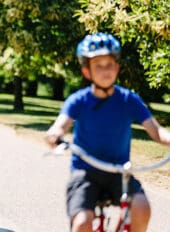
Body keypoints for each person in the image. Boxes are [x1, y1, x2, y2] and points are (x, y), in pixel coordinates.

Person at [44, 32, 170, 232]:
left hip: (118, 172)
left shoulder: (129, 100)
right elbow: (61, 124)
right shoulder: (79, 100)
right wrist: (54, 135)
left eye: (109, 64)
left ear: (117, 67)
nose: (105, 70)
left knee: (141, 207)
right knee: (82, 222)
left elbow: (157, 131)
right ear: (87, 71)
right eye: (98, 66)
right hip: (85, 173)